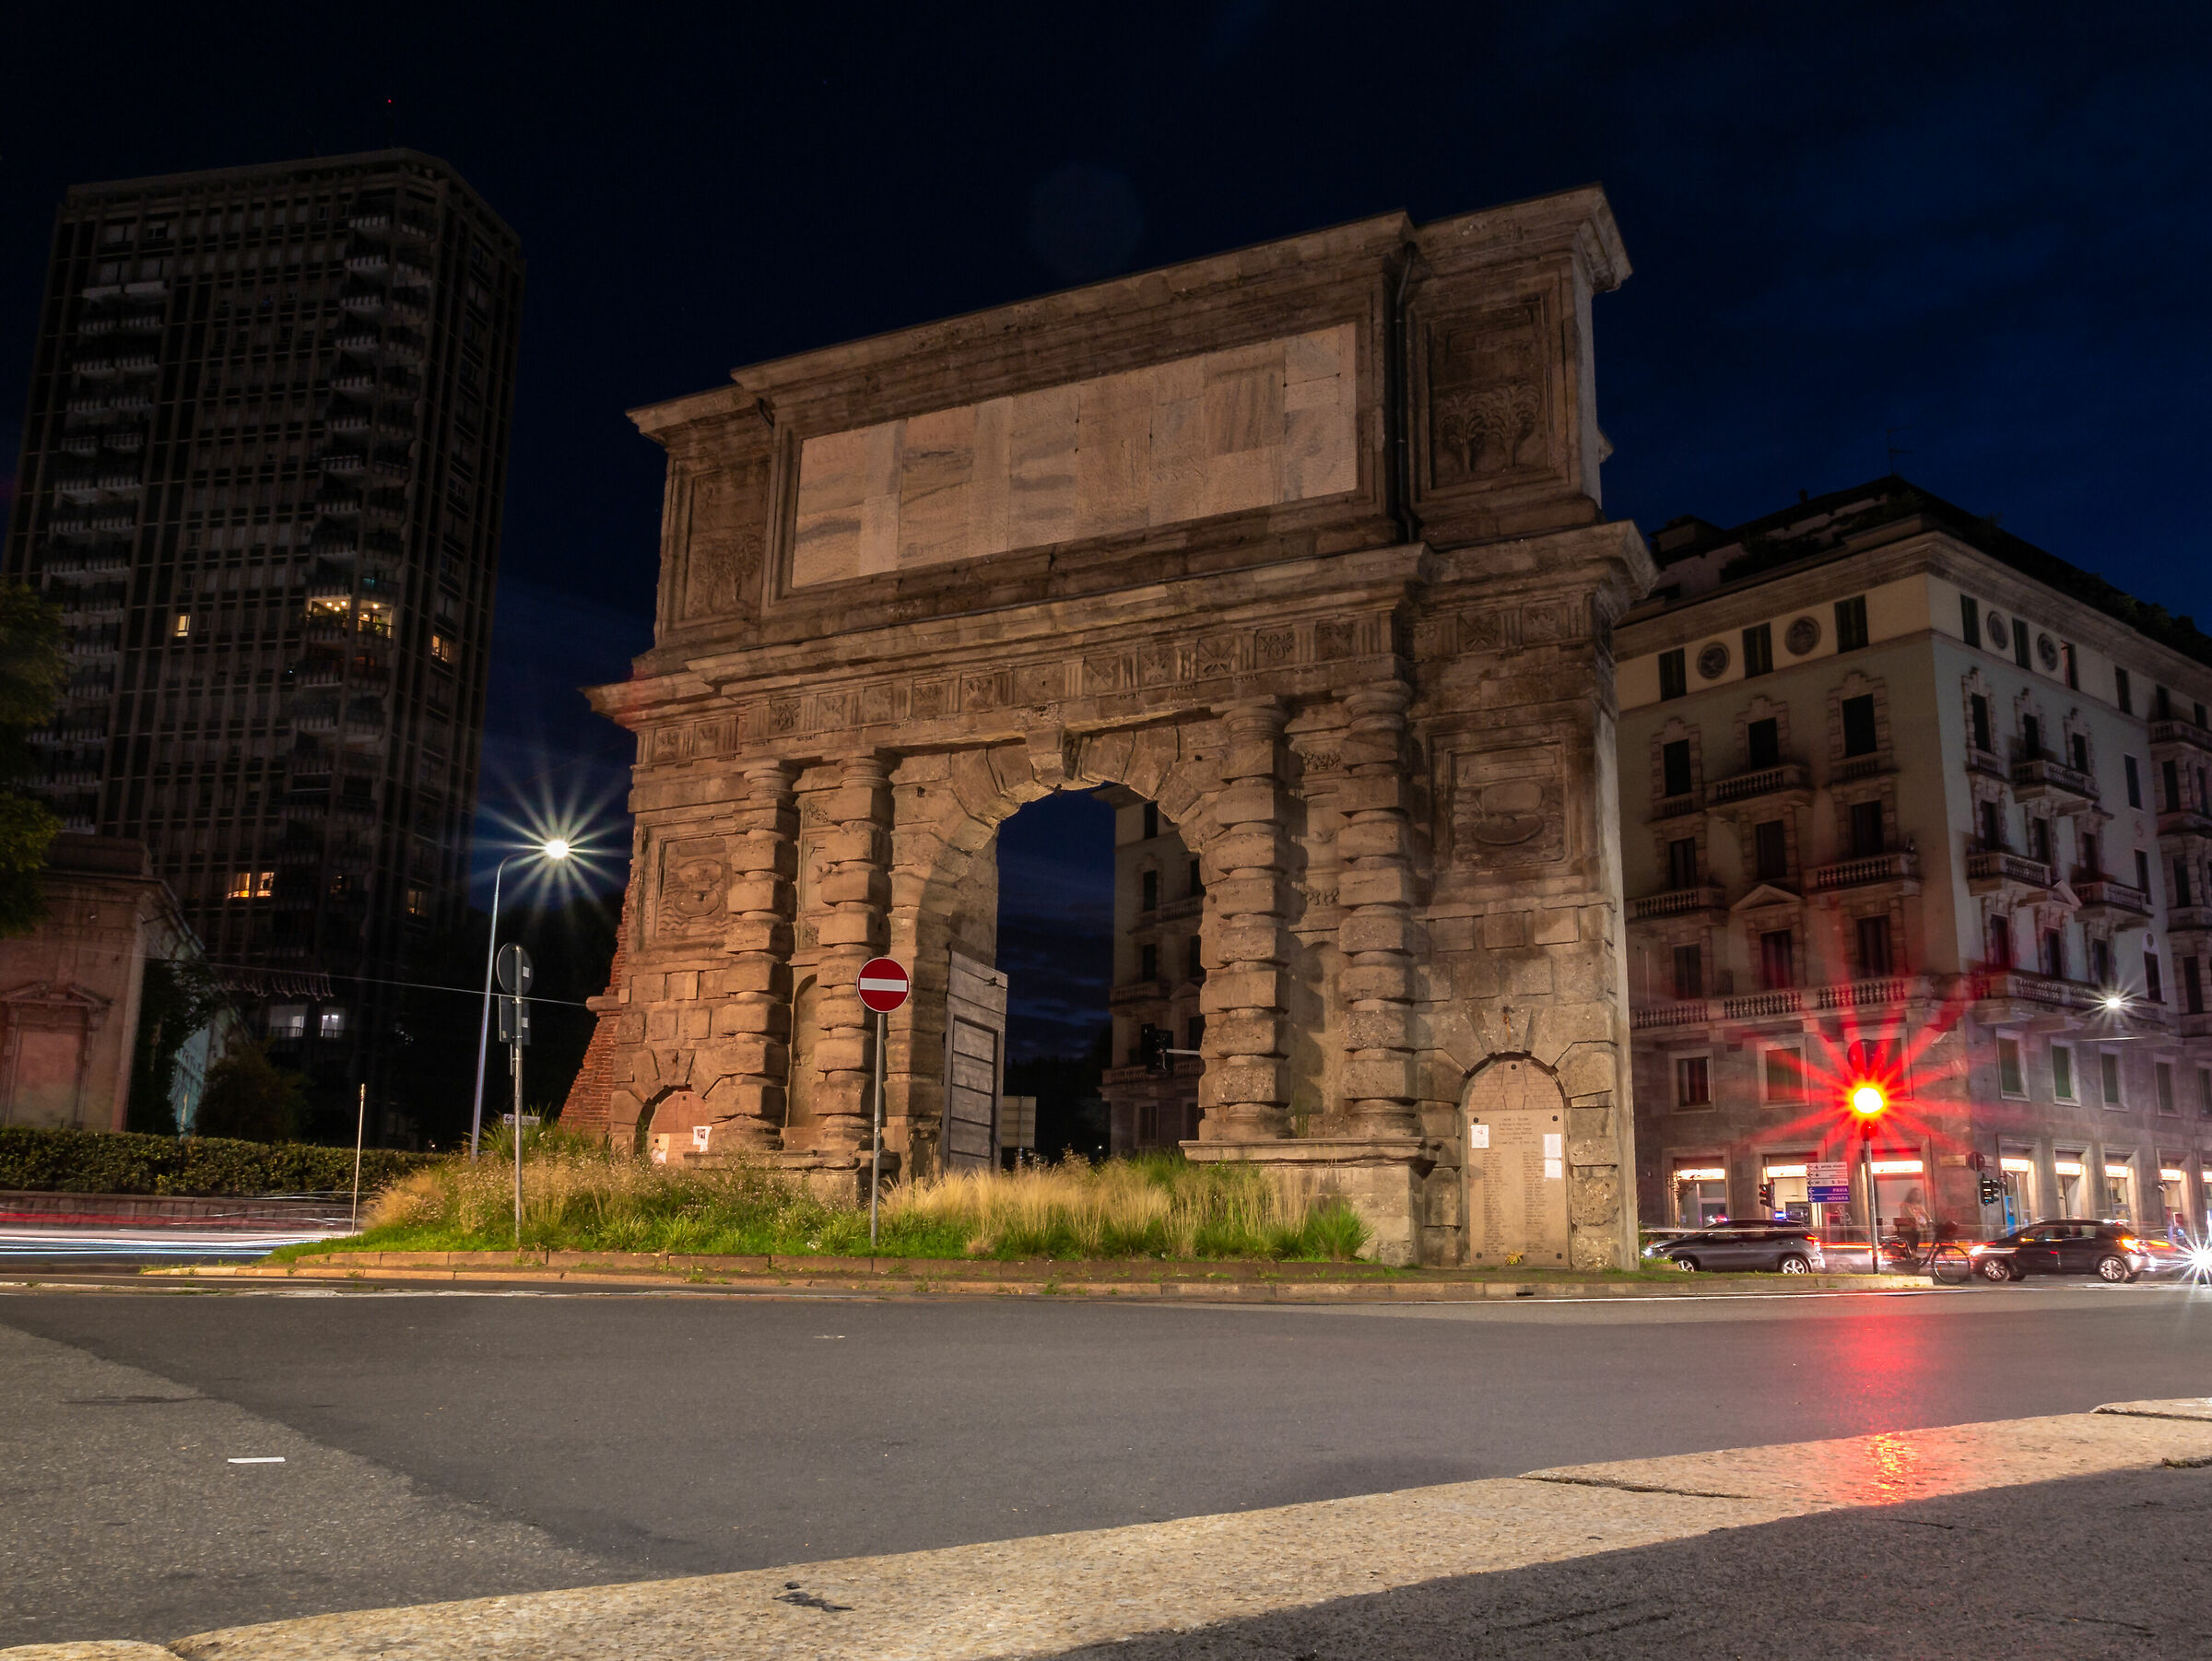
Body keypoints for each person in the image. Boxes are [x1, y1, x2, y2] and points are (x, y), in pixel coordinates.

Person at [1895, 1187, 1930, 1255]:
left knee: (1919, 1234)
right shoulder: (1905, 1205)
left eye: (1919, 1194)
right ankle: (1913, 1253)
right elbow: (1911, 1216)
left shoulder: (1919, 1206)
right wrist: (1921, 1223)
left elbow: (1924, 1214)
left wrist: (1930, 1221)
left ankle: (1913, 1252)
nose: (1917, 1196)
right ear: (1910, 1195)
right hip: (1906, 1228)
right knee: (1915, 1234)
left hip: (1914, 1226)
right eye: (1915, 1194)